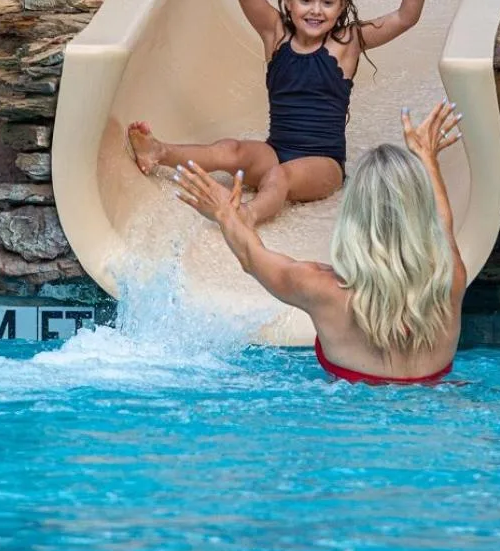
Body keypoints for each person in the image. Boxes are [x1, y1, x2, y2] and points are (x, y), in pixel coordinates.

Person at [128, 0, 438, 226]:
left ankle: (246, 215)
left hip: (323, 165)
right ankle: (160, 151)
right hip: (275, 150)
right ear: (288, 1)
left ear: (342, 6)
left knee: (279, 177)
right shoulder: (275, 34)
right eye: (305, 0)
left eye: (327, 3)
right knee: (231, 149)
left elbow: (405, 17)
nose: (315, 10)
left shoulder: (348, 42)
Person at [174, 102, 466, 385]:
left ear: (353, 216)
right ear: (420, 214)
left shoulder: (321, 289)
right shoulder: (451, 279)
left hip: (347, 414)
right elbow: (443, 227)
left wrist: (225, 214)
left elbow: (251, 256)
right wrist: (427, 159)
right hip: (439, 411)